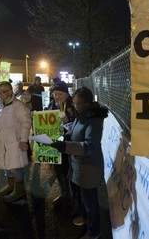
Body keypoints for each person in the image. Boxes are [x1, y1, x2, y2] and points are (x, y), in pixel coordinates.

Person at [48, 86, 108, 239]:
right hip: (79, 165)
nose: (74, 106)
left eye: (77, 103)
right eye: (73, 103)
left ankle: (94, 232)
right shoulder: (82, 114)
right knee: (83, 196)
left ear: (88, 102)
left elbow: (89, 146)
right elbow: (74, 131)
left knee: (91, 202)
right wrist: (65, 138)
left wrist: (66, 146)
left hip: (88, 167)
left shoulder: (94, 120)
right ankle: (84, 217)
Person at [0, 81, 32, 203]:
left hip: (15, 141)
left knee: (16, 167)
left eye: (4, 91)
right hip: (3, 141)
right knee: (7, 165)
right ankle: (10, 185)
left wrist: (23, 140)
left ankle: (19, 190)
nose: (1, 94)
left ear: (11, 91)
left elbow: (26, 123)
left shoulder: (18, 105)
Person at [45, 81, 78, 210]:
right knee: (59, 170)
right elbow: (46, 116)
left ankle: (75, 201)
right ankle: (65, 195)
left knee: (70, 171)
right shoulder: (53, 104)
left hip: (70, 143)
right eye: (55, 94)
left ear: (66, 93)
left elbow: (78, 126)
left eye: (60, 94)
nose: (57, 97)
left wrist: (68, 121)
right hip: (55, 142)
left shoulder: (73, 105)